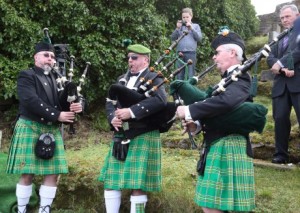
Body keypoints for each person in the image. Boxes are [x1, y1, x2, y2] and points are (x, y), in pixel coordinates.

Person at [176, 30, 255, 212]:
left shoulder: (241, 77)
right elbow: (221, 111)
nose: (214, 57)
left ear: (232, 53)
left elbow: (226, 102)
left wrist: (189, 110)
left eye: (217, 52)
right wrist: (196, 125)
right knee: (211, 206)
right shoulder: (226, 80)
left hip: (229, 144)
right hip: (218, 143)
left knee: (214, 208)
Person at [6, 41, 82, 213]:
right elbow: (30, 100)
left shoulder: (56, 79)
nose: (50, 59)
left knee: (53, 173)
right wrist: (57, 115)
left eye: (53, 57)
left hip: (51, 129)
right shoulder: (27, 75)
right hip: (30, 126)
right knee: (27, 173)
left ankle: (44, 210)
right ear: (36, 57)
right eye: (46, 55)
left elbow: (61, 102)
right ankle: (22, 209)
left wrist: (75, 105)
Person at [99, 44, 168, 213]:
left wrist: (131, 112)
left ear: (146, 59)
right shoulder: (122, 78)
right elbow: (110, 101)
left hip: (143, 133)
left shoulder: (155, 77)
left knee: (138, 184)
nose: (130, 60)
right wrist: (112, 118)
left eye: (134, 57)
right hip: (121, 134)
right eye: (129, 57)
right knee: (111, 181)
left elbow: (160, 100)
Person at [267, 4, 300, 164]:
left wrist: (280, 63)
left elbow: (298, 51)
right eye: (282, 18)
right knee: (280, 119)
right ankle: (281, 155)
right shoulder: (279, 37)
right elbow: (269, 57)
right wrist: (281, 69)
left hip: (298, 83)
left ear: (297, 15)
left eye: (287, 16)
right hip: (281, 85)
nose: (284, 20)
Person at [170, 7, 202, 80]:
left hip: (191, 53)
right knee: (179, 74)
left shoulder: (196, 26)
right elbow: (173, 38)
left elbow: (199, 38)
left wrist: (191, 29)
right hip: (180, 54)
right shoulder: (180, 27)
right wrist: (177, 28)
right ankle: (179, 91)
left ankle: (189, 90)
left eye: (187, 17)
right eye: (183, 17)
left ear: (191, 16)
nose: (185, 19)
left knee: (190, 75)